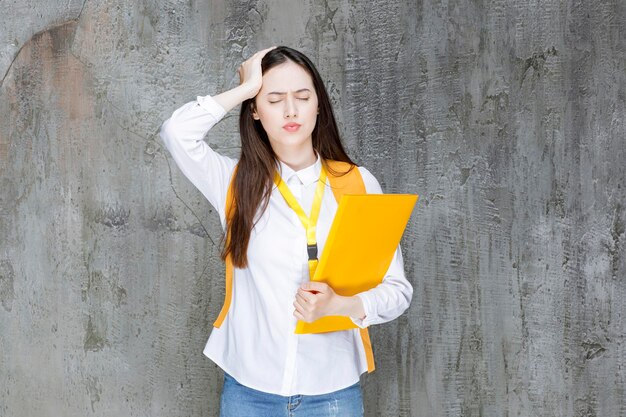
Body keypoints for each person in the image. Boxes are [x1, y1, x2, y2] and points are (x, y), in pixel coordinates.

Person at [159, 46, 413, 417]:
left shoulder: (357, 183)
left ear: (319, 106)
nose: (291, 111)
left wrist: (340, 305)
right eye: (274, 99)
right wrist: (244, 89)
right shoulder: (233, 183)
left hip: (332, 395)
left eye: (303, 97)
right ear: (256, 112)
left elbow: (397, 290)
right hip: (249, 393)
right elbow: (176, 132)